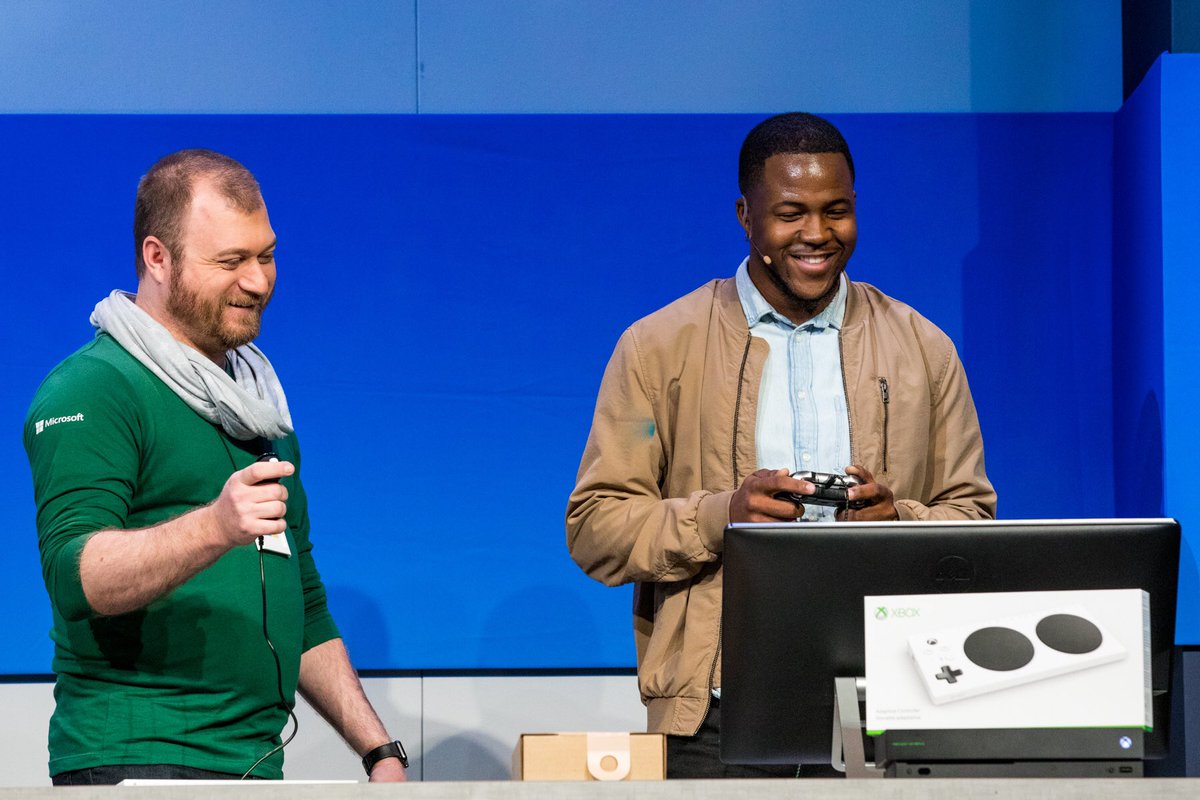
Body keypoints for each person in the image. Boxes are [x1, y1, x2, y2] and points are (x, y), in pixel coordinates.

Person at [566, 113, 996, 779]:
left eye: (838, 211)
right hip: (715, 717)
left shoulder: (924, 350)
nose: (818, 235)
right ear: (745, 214)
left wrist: (899, 522)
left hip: (889, 709)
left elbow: (973, 524)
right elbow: (596, 528)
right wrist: (722, 516)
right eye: (791, 212)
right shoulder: (655, 349)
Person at [23, 150, 407, 784]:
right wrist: (215, 526)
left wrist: (377, 750)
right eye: (230, 262)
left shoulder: (260, 410)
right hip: (139, 762)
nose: (258, 281)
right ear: (157, 258)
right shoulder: (92, 390)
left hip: (252, 767)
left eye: (266, 255)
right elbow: (75, 576)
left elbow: (303, 600)